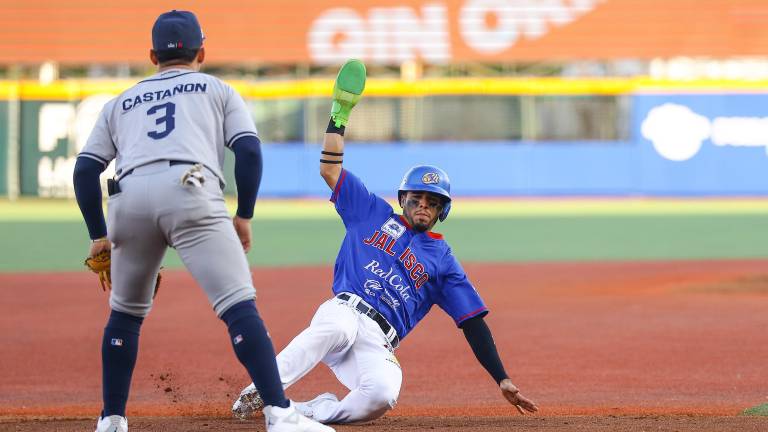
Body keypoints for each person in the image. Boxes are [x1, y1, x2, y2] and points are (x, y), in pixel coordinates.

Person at [231, 59, 538, 424]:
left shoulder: (442, 259)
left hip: (378, 339)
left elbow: (472, 322)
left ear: (442, 210)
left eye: (433, 202)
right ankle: (264, 390)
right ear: (403, 198)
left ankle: (304, 412)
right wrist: (339, 112)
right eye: (418, 198)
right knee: (337, 326)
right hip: (345, 310)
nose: (424, 205)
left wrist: (500, 377)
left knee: (382, 395)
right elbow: (330, 170)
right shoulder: (370, 211)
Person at [72, 10, 334, 432]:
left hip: (129, 196)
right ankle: (280, 414)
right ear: (202, 52)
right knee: (237, 305)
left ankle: (112, 419)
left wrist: (97, 235)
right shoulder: (217, 89)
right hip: (190, 186)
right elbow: (247, 152)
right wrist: (244, 215)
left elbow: (85, 171)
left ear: (152, 54)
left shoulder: (119, 102)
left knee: (124, 315)